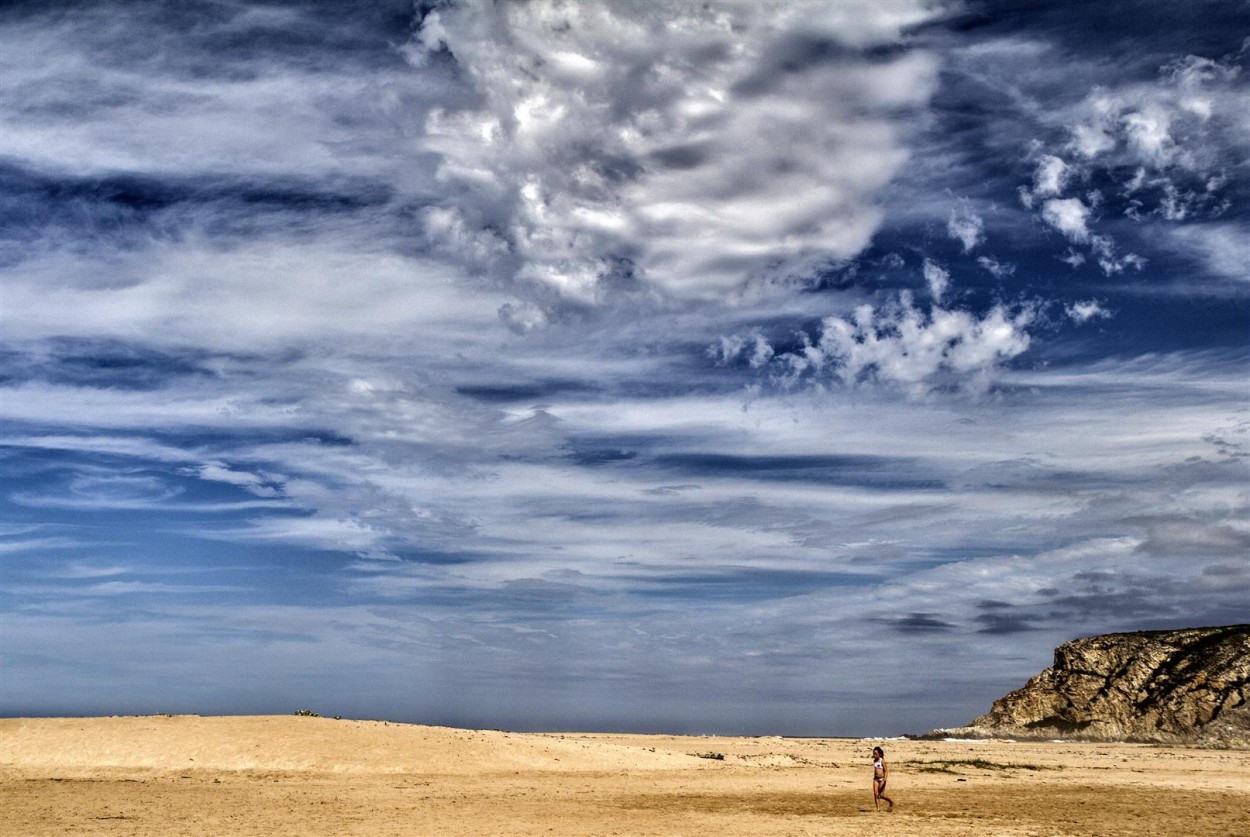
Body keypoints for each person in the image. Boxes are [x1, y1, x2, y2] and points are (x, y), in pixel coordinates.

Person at [871, 746, 894, 812]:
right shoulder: (874, 761)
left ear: (880, 754)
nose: (874, 755)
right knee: (875, 794)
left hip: (882, 779)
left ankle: (891, 802)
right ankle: (878, 809)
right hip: (875, 779)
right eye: (874, 754)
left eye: (876, 754)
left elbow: (886, 771)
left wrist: (884, 780)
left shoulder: (882, 761)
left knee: (880, 795)